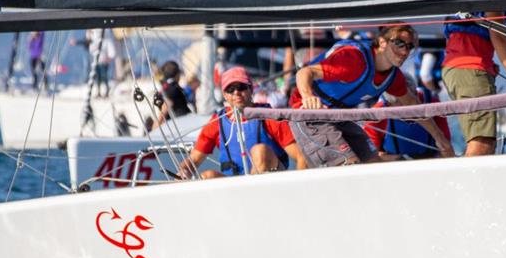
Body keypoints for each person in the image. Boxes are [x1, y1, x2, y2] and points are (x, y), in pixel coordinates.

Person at [291, 23, 454, 167]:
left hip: (338, 115)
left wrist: (442, 140)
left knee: (374, 165)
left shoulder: (394, 77)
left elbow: (414, 107)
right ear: (382, 42)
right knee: (349, 165)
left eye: (409, 46)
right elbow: (304, 72)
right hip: (310, 113)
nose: (405, 51)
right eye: (399, 43)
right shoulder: (353, 58)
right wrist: (308, 96)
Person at [178, 67, 306, 178]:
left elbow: (301, 157)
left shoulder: (269, 116)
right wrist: (183, 171)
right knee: (207, 176)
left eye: (241, 87)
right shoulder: (217, 122)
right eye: (230, 89)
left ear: (250, 89)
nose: (236, 92)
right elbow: (193, 159)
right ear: (225, 95)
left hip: (271, 182)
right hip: (235, 184)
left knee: (259, 151)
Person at [442, 11, 506, 156]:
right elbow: (499, 35)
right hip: (470, 70)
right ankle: (462, 179)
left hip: (457, 69)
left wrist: (488, 64)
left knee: (480, 141)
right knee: (482, 144)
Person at [363, 77, 451, 160]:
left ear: (416, 97)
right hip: (395, 165)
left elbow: (447, 148)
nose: (407, 110)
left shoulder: (432, 103)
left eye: (409, 103)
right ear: (389, 104)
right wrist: (401, 159)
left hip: (430, 161)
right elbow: (371, 157)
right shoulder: (376, 114)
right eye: (400, 105)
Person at [156, 60, 192, 126]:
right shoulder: (172, 88)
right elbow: (166, 106)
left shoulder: (167, 87)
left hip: (179, 123)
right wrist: (155, 126)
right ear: (177, 74)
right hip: (181, 124)